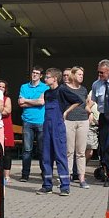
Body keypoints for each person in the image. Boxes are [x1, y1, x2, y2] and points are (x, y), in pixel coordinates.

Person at [37, 68, 71, 196]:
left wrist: (66, 112)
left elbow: (78, 100)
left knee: (60, 156)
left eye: (47, 77)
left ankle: (65, 186)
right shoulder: (46, 93)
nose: (45, 79)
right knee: (46, 157)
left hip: (58, 128)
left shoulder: (62, 90)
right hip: (47, 127)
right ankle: (47, 185)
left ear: (55, 79)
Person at [62, 66, 91, 189]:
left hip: (83, 121)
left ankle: (82, 179)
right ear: (73, 75)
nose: (81, 76)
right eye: (79, 74)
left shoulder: (84, 89)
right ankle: (67, 178)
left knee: (81, 152)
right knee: (69, 151)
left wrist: (89, 113)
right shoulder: (64, 89)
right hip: (69, 121)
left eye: (82, 75)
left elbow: (86, 104)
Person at [18, 66, 48, 182]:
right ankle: (25, 175)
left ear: (41, 76)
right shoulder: (24, 86)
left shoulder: (45, 87)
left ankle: (44, 173)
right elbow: (20, 103)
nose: (34, 75)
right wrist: (35, 102)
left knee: (42, 150)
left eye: (37, 73)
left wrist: (27, 100)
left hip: (41, 121)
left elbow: (42, 102)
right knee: (27, 150)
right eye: (33, 72)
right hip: (27, 121)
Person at [0, 80, 15, 184]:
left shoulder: (7, 99)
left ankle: (7, 176)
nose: (1, 88)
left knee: (7, 152)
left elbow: (7, 111)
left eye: (3, 87)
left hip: (6, 126)